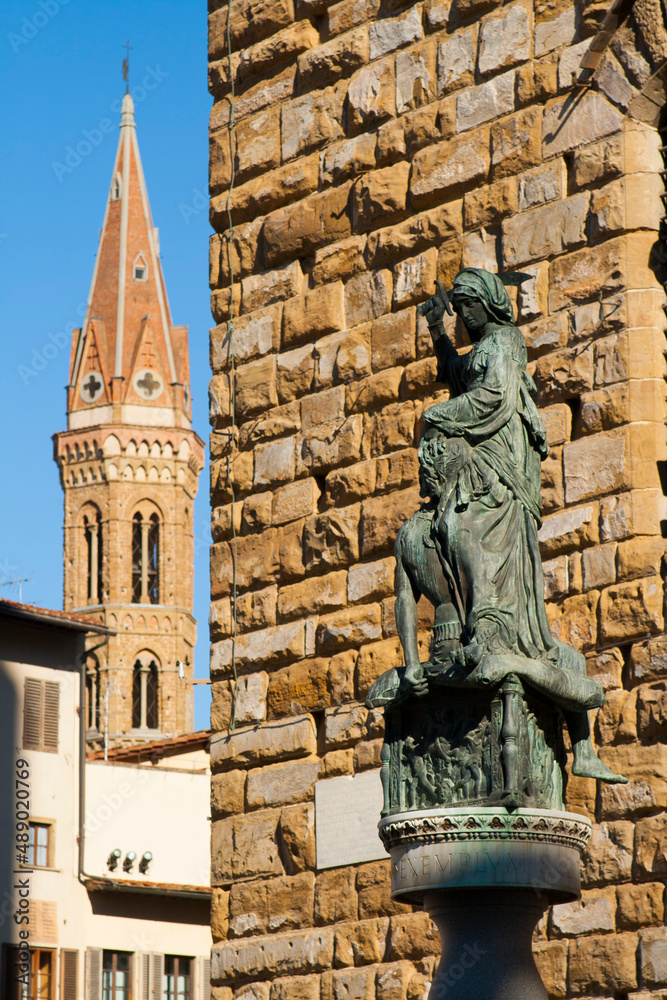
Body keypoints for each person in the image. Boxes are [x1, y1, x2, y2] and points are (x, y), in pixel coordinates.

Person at [414, 268, 625, 783]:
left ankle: (495, 626)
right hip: (487, 467)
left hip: (503, 473)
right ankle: (485, 624)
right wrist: (439, 333)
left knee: (480, 539)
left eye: (468, 307)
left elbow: (493, 399)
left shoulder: (505, 342)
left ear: (489, 303)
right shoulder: (484, 346)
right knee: (461, 534)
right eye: (458, 309)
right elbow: (464, 379)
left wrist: (439, 418)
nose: (464, 317)